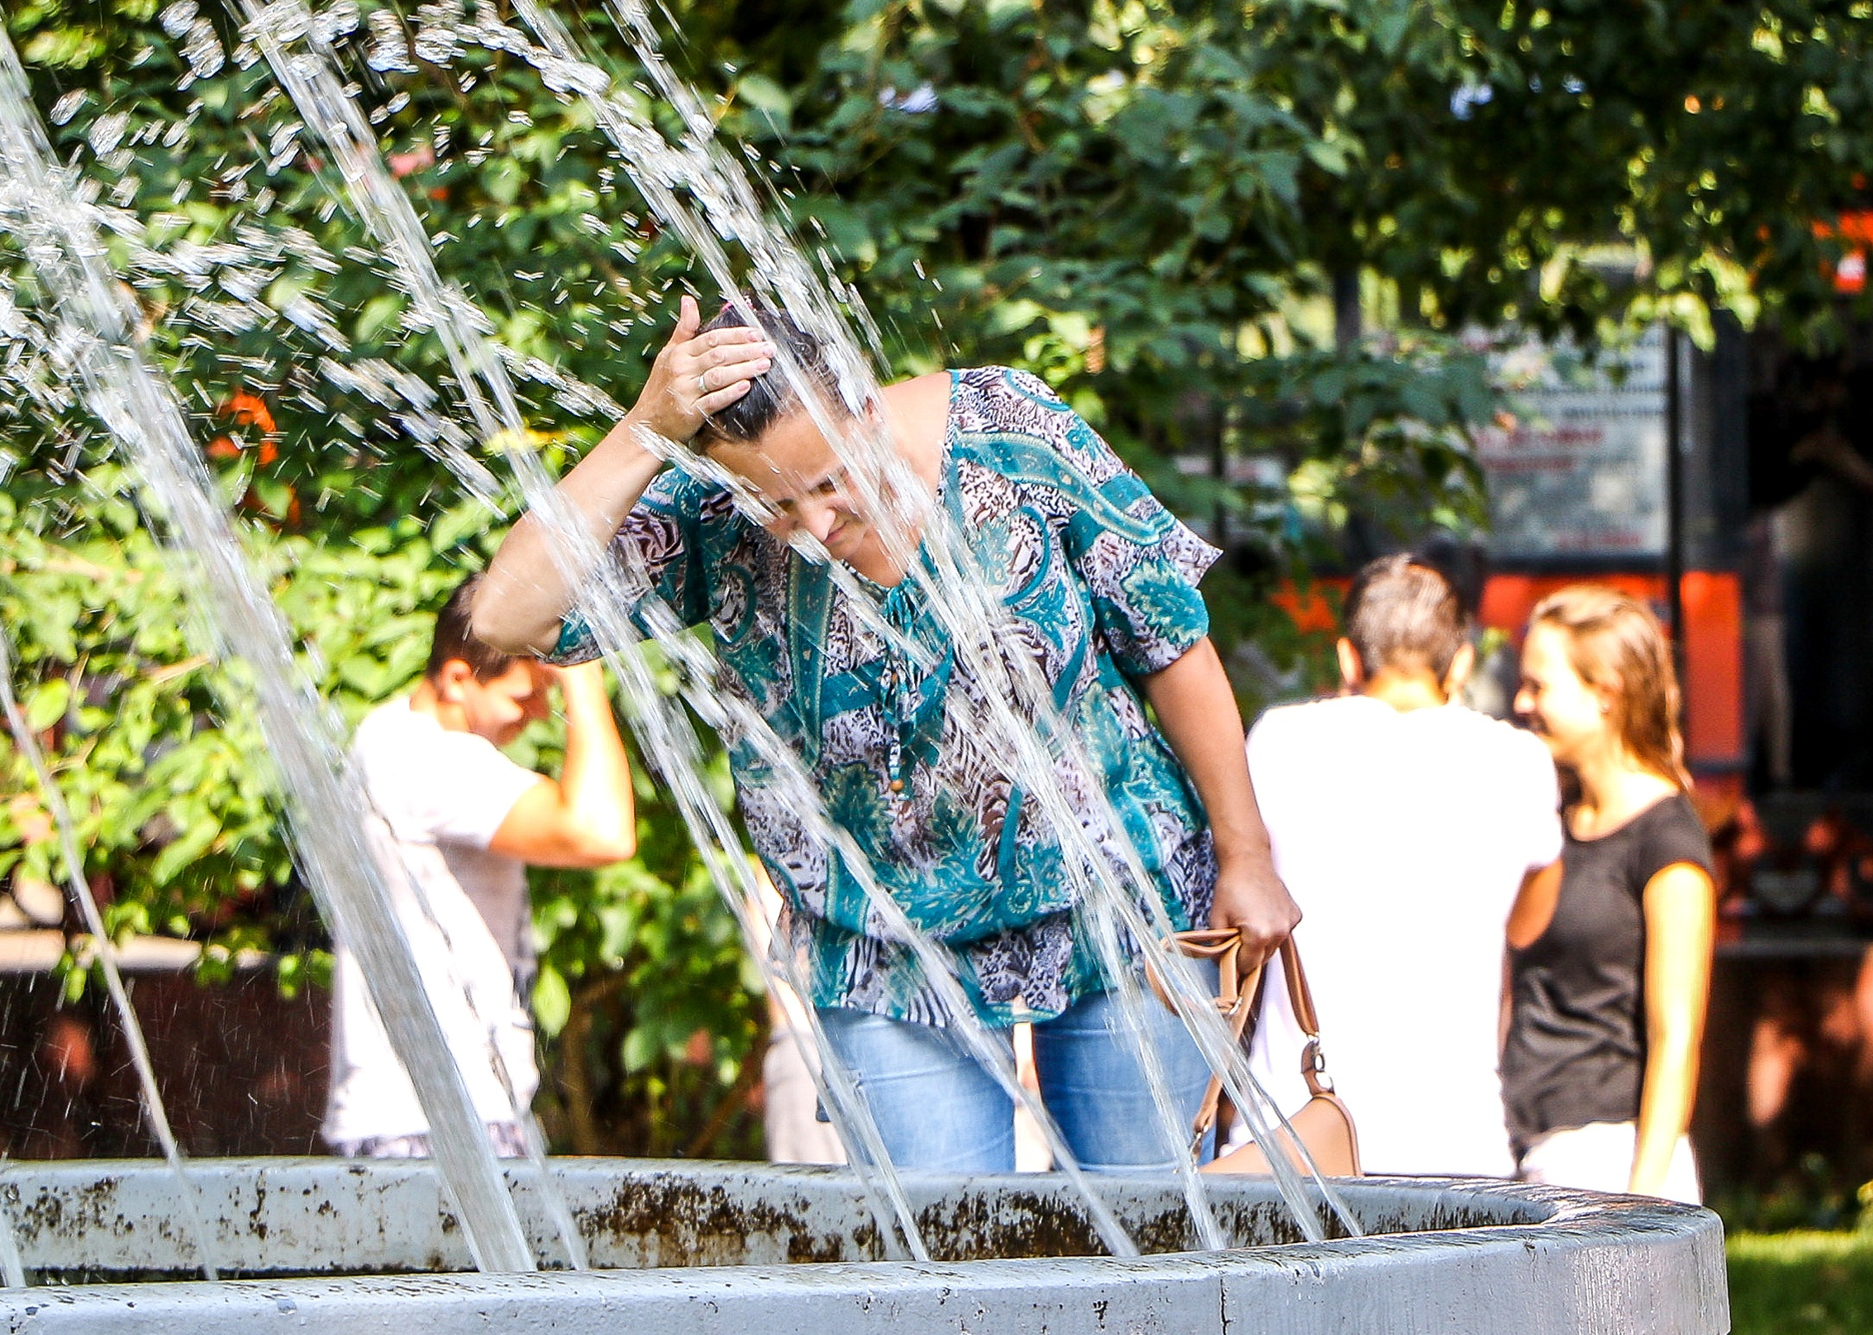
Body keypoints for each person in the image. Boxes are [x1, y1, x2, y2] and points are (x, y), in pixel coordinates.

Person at [472, 299, 1301, 1176]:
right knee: (944, 1283)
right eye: (777, 503)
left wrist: (1245, 852)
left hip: (1123, 896)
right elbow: (508, 616)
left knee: (1157, 1236)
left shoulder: (1006, 428)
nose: (816, 527)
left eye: (830, 480)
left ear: (866, 403)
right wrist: (646, 428)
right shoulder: (710, 513)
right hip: (881, 945)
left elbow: (1169, 639)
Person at [1212, 555, 1563, 1178]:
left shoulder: (1280, 740)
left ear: (1348, 659)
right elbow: (1529, 926)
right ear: (1460, 664)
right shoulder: (1519, 761)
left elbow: (1235, 930)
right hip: (1454, 1144)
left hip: (1291, 1139)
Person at [322, 581, 635, 1161]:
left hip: (433, 1111)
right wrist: (582, 673)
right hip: (434, 1120)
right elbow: (601, 831)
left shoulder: (387, 738)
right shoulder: (422, 758)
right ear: (459, 678)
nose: (541, 712)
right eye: (526, 696)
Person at [1501, 585, 1715, 1200]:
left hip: (1609, 1162)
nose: (1522, 703)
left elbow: (1676, 1034)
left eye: (1540, 686)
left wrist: (1644, 1204)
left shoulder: (1667, 837)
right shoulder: (1553, 818)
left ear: (1606, 694)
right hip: (1524, 1154)